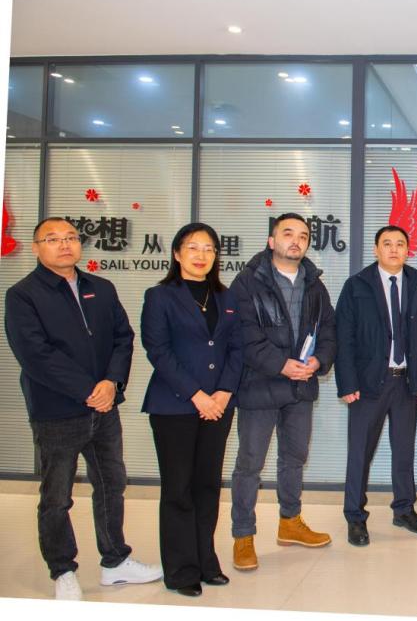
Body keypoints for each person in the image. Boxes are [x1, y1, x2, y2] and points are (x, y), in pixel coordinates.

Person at [4, 217, 162, 600]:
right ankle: (62, 569)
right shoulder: (23, 295)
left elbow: (123, 337)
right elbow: (35, 354)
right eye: (53, 239)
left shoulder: (101, 288)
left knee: (111, 483)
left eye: (71, 237)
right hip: (57, 411)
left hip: (104, 408)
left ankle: (115, 561)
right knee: (57, 496)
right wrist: (88, 390)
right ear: (36, 247)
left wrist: (112, 383)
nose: (64, 244)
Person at [229, 212, 337, 570]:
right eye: (288, 234)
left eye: (303, 236)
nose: (296, 241)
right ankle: (243, 535)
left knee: (294, 458)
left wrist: (319, 361)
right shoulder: (247, 283)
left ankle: (290, 522)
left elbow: (329, 331)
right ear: (271, 241)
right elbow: (244, 335)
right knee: (250, 464)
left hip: (300, 387)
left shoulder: (314, 284)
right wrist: (281, 364)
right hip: (260, 385)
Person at [140, 222, 243, 597]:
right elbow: (158, 351)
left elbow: (237, 348)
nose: (202, 255)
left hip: (219, 406)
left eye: (209, 249)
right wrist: (198, 396)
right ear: (177, 253)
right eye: (193, 248)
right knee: (178, 489)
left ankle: (205, 561)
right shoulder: (160, 296)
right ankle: (181, 569)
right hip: (175, 406)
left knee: (208, 486)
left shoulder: (227, 297)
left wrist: (225, 392)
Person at [335, 225, 417, 547]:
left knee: (404, 451)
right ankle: (355, 516)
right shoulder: (357, 285)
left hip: (407, 382)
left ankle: (404, 509)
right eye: (387, 244)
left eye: (400, 244)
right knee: (360, 453)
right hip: (367, 385)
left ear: (408, 250)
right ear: (376, 249)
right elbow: (343, 337)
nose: (394, 249)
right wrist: (347, 383)